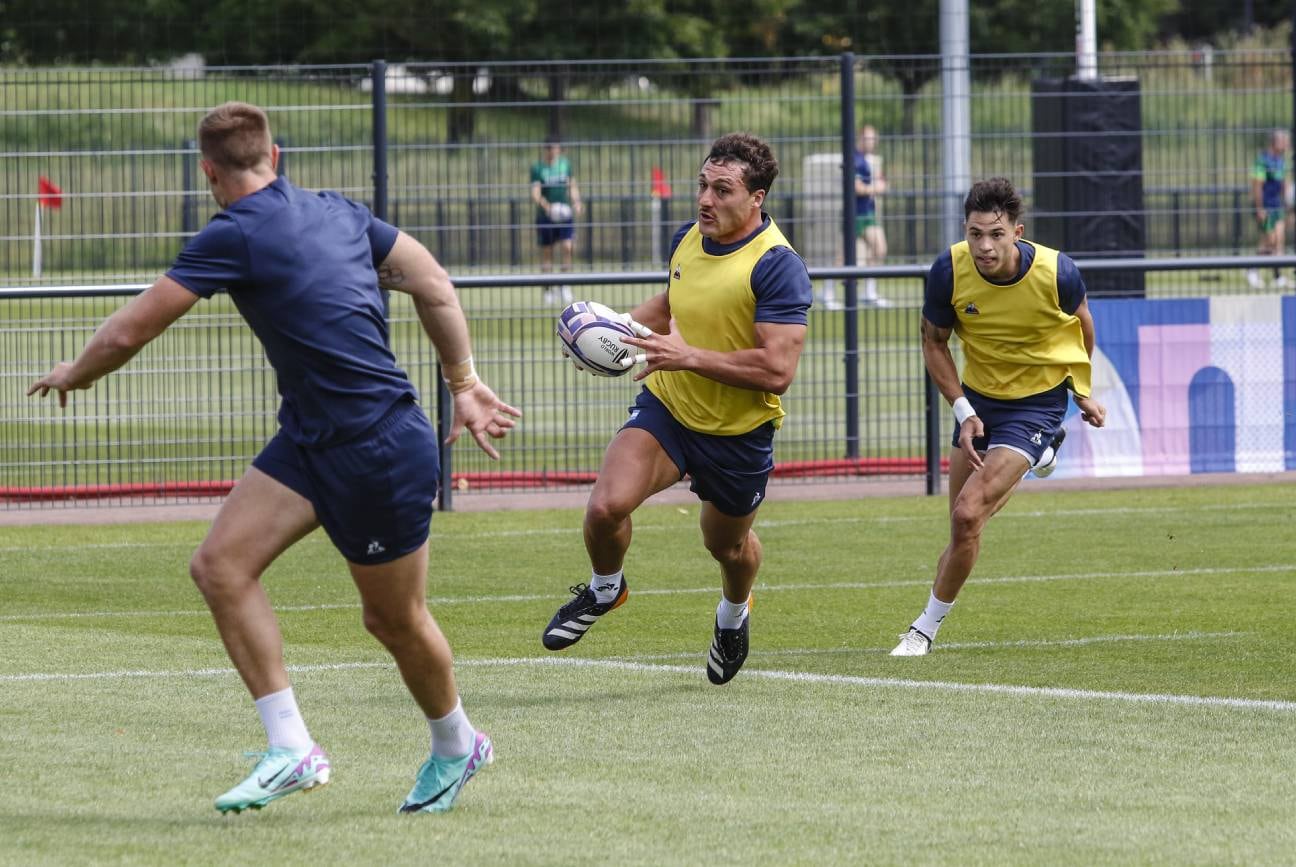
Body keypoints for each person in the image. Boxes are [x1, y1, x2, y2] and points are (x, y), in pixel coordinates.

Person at [27, 102, 521, 814]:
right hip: (311, 439)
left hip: (375, 447)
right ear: (275, 155)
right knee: (220, 565)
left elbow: (135, 326)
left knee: (394, 620)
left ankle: (457, 742)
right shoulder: (341, 211)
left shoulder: (234, 231)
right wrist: (464, 383)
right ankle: (292, 749)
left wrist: (75, 371)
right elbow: (432, 281)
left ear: (209, 173)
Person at [540, 132, 812, 685]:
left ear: (757, 197)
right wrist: (609, 336)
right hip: (670, 410)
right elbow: (670, 304)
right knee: (604, 508)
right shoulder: (688, 238)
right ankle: (605, 590)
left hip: (738, 432)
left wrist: (688, 355)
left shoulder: (777, 265)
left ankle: (733, 616)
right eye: (702, 185)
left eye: (722, 189)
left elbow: (777, 371)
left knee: (727, 547)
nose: (705, 199)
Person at [889, 177, 1106, 657]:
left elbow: (1083, 323)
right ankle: (1042, 453)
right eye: (974, 234)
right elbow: (933, 342)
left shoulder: (1056, 272)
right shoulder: (948, 269)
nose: (984, 246)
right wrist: (963, 409)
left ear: (1017, 231)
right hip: (979, 404)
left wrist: (1080, 389)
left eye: (995, 234)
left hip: (1036, 404)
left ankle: (922, 630)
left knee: (969, 514)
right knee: (961, 526)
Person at [822, 123, 890, 310]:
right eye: (869, 137)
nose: (873, 141)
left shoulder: (865, 160)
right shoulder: (854, 159)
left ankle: (869, 292)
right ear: (860, 138)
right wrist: (878, 188)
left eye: (874, 138)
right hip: (855, 215)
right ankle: (827, 293)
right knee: (842, 258)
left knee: (879, 248)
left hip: (867, 214)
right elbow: (856, 188)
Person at [531, 137, 583, 305]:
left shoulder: (565, 165)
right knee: (547, 252)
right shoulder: (538, 168)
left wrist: (576, 202)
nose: (553, 151)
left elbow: (571, 186)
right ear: (545, 150)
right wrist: (547, 207)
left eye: (555, 148)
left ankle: (565, 285)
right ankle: (547, 289)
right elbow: (536, 192)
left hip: (564, 214)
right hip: (546, 215)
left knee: (567, 247)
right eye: (550, 148)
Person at [1246, 129, 1293, 290]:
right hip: (1264, 205)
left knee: (1279, 240)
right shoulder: (1262, 161)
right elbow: (1257, 186)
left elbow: (1285, 185)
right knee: (1270, 240)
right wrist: (1260, 208)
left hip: (1277, 205)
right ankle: (1252, 269)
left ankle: (1278, 276)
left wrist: (1289, 206)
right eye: (1284, 141)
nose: (1287, 144)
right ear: (1275, 143)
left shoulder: (1282, 161)